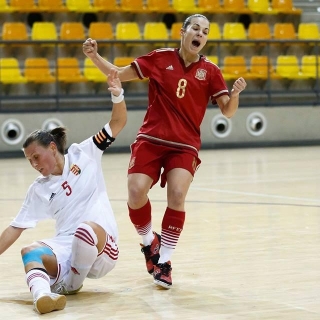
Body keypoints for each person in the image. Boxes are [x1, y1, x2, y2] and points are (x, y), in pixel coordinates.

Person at [83, 14, 247, 289]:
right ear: (183, 32)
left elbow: (228, 111)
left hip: (185, 144)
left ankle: (165, 261)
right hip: (151, 138)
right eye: (195, 28)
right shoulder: (160, 58)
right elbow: (119, 73)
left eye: (205, 31)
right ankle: (149, 243)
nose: (200, 34)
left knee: (178, 194)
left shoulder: (212, 71)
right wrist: (94, 57)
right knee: (135, 191)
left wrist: (236, 93)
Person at [0, 69, 127, 314]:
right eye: (30, 161)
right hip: (67, 246)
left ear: (52, 147)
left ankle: (70, 284)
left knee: (84, 230)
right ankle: (42, 297)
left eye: (36, 156)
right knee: (30, 252)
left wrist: (118, 95)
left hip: (103, 248)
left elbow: (118, 122)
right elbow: (15, 228)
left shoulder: (85, 152)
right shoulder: (39, 189)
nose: (35, 164)